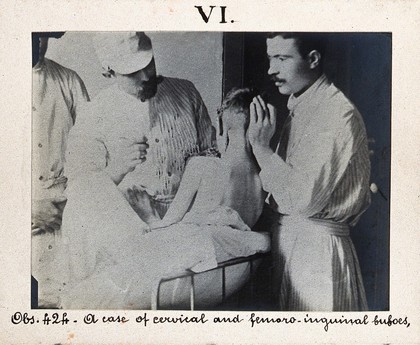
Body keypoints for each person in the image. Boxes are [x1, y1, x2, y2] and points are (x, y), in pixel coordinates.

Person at [60, 88, 270, 309]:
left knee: (91, 212)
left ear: (222, 127)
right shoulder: (262, 177)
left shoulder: (205, 166)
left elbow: (167, 225)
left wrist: (149, 215)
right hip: (225, 271)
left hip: (190, 251)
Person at [248, 32, 371, 311]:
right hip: (296, 247)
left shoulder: (335, 113)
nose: (271, 69)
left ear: (313, 59)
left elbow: (303, 199)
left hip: (317, 256)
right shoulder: (303, 106)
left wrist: (261, 148)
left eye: (282, 58)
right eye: (270, 58)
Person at [65, 32, 214, 221]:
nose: (145, 76)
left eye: (148, 64)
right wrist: (117, 169)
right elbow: (80, 191)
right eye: (132, 72)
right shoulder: (94, 114)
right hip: (131, 224)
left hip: (191, 218)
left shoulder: (187, 93)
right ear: (109, 72)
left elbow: (211, 156)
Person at [31, 32, 90, 307]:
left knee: (69, 304)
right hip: (18, 228)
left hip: (67, 215)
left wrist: (76, 199)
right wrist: (26, 208)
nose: (37, 44)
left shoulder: (69, 81)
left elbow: (94, 150)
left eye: (42, 36)